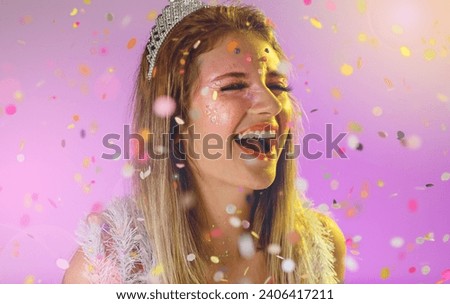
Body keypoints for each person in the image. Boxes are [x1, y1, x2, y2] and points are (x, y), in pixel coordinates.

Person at [63, 0, 345, 284]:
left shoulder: (321, 247)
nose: (271, 105)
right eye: (233, 86)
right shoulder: (103, 272)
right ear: (175, 117)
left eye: (277, 86)